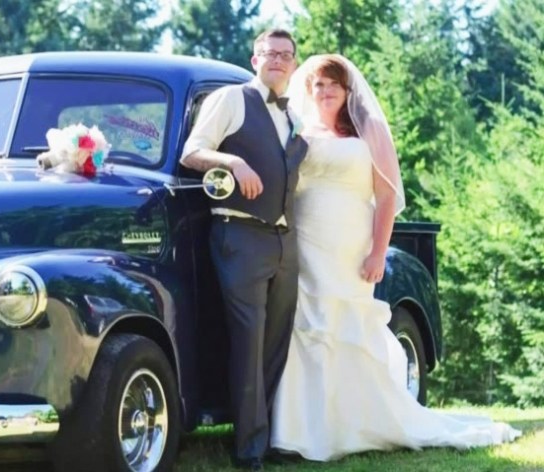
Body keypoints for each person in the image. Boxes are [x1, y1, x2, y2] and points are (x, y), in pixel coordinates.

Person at [269, 54, 522, 461]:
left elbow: (386, 197)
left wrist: (378, 252)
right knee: (307, 327)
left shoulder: (367, 128)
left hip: (350, 245)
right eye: (319, 85)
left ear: (347, 90)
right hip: (306, 242)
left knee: (347, 327)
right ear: (309, 90)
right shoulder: (298, 132)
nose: (326, 91)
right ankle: (301, 431)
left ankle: (357, 422)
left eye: (334, 84)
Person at [180, 29, 309, 470]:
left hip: (284, 241)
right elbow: (192, 152)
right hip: (239, 236)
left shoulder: (295, 116)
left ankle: (267, 436)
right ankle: (248, 449)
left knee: (275, 344)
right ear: (254, 59)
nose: (277, 60)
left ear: (293, 64)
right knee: (249, 342)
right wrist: (232, 161)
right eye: (269, 53)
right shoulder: (232, 99)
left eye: (285, 55)